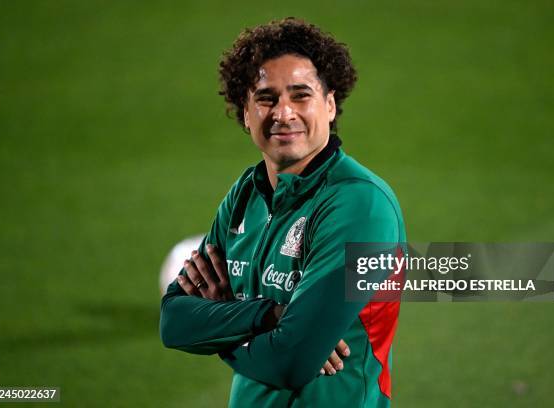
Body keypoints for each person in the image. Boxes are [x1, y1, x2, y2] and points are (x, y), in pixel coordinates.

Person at [160, 17, 406, 407]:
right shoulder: (246, 193)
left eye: (300, 95)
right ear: (245, 111)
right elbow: (173, 323)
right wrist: (270, 316)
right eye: (266, 97)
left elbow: (292, 361)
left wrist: (225, 325)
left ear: (329, 105)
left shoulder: (360, 204)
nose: (283, 112)